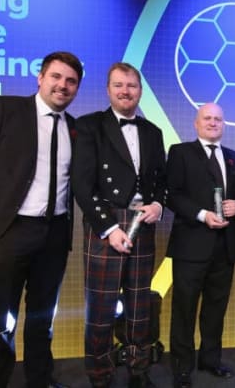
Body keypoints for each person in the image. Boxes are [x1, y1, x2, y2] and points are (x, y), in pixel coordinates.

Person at [0, 51, 83, 388]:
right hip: (12, 232)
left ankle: (40, 380)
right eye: (56, 77)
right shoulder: (4, 109)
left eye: (71, 81)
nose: (63, 85)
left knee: (43, 318)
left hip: (55, 233)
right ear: (40, 77)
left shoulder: (75, 128)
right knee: (1, 318)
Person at [71, 62, 167, 388]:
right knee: (101, 306)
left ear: (140, 90)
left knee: (140, 303)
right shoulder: (89, 126)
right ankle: (100, 375)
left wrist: (158, 204)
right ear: (108, 90)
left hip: (144, 222)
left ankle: (138, 371)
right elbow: (82, 185)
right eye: (118, 85)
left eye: (131, 85)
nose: (126, 91)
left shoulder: (153, 132)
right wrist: (109, 229)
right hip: (107, 222)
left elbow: (161, 182)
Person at [165, 103, 235, 388]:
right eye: (207, 118)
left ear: (224, 125)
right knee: (184, 310)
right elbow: (171, 195)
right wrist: (202, 215)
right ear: (196, 124)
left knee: (215, 309)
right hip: (190, 248)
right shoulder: (180, 152)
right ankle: (182, 368)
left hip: (225, 247)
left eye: (218, 119)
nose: (213, 123)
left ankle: (211, 360)